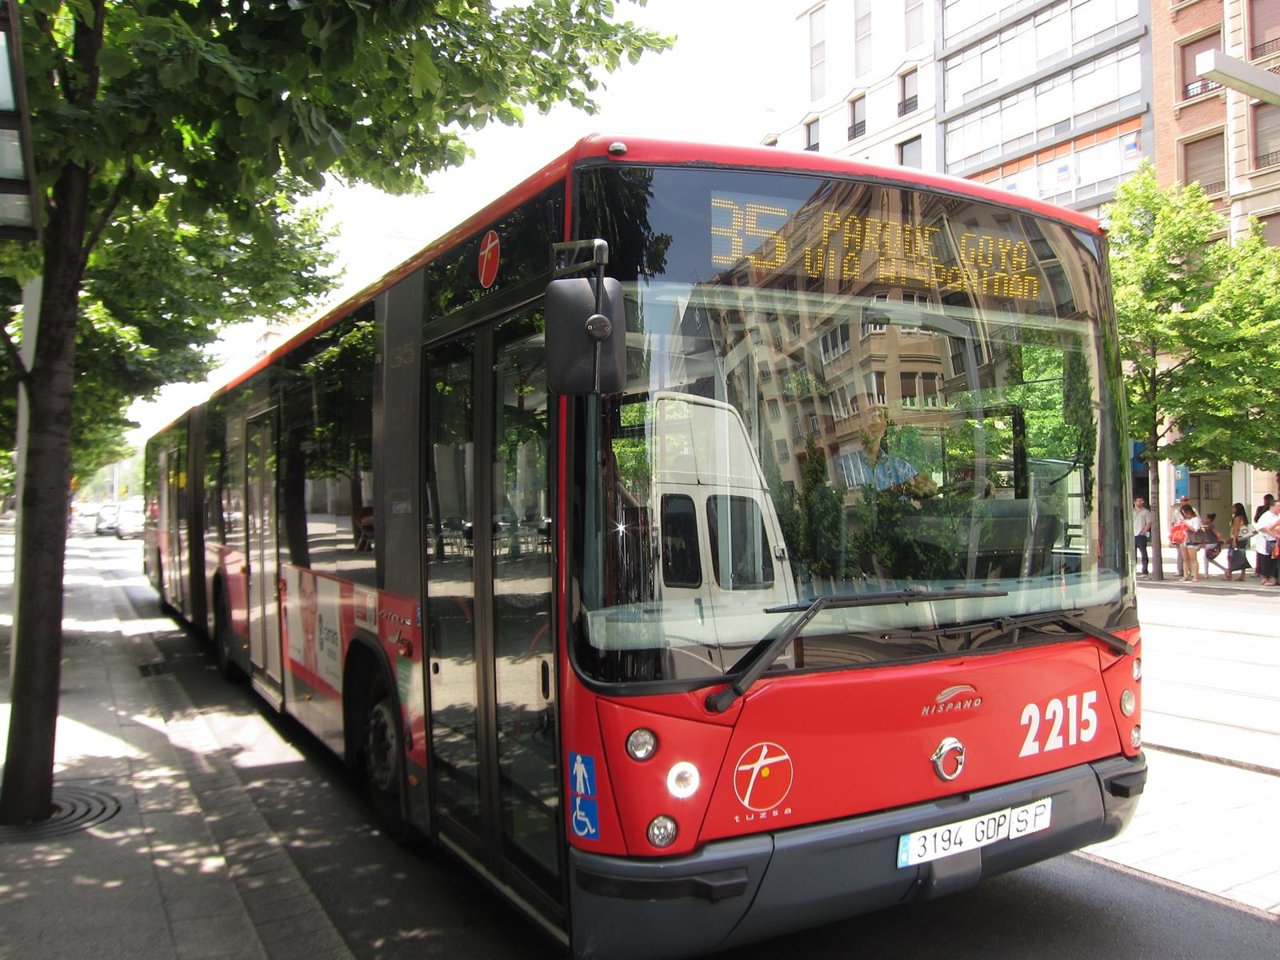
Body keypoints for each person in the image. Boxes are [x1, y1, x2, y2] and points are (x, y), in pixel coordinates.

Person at [1254, 499, 1280, 586]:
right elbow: (1263, 528)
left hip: (1276, 541)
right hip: (1266, 541)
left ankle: (1275, 578)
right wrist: (1274, 534)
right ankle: (1265, 579)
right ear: (1272, 507)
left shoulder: (1278, 516)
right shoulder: (1266, 516)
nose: (1279, 508)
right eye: (1278, 506)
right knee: (1265, 560)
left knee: (1275, 561)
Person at [1176, 502, 1203, 583]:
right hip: (1184, 540)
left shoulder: (1195, 519)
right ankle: (1185, 575)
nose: (1184, 515)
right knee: (1185, 559)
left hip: (1192, 540)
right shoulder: (1185, 519)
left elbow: (1195, 529)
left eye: (1185, 513)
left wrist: (1186, 525)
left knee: (1193, 559)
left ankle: (1195, 576)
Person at [1227, 502, 1252, 582]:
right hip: (1243, 539)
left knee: (1231, 555)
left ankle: (1229, 573)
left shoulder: (1237, 518)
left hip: (1237, 539)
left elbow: (1236, 530)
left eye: (1233, 508)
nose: (1232, 509)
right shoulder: (1243, 517)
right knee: (1242, 556)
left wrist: (1234, 540)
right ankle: (1242, 574)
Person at [1170, 495, 1191, 578]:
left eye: (1186, 500)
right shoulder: (1176, 511)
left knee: (1190, 553)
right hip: (1180, 533)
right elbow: (1172, 522)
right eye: (1183, 500)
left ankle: (1191, 571)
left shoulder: (1192, 510)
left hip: (1189, 533)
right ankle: (1180, 570)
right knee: (1180, 553)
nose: (1185, 501)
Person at [1200, 512, 1226, 578]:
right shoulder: (1206, 526)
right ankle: (1224, 569)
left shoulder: (1211, 526)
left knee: (1206, 558)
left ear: (1209, 519)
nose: (1204, 519)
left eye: (1206, 518)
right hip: (1209, 543)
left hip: (1211, 543)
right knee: (1208, 558)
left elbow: (1217, 533)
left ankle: (1206, 574)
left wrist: (1222, 540)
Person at [1132, 496, 1153, 577]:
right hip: (1133, 534)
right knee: (1133, 554)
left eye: (1142, 501)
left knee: (1143, 553)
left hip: (1141, 535)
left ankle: (1144, 570)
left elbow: (1149, 523)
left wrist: (1143, 531)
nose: (1141, 502)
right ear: (1135, 502)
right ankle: (1133, 569)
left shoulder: (1145, 512)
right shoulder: (1131, 511)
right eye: (1139, 501)